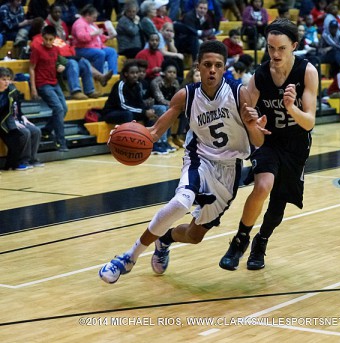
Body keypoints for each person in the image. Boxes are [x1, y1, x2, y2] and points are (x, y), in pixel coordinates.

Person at [99, 40, 268, 283]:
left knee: (195, 235)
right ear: (197, 66)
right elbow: (155, 133)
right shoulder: (186, 95)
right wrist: (122, 133)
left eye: (217, 65)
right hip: (200, 159)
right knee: (180, 203)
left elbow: (259, 141)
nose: (212, 70)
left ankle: (164, 240)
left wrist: (252, 124)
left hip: (230, 170)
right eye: (207, 64)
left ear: (224, 68)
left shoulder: (238, 93)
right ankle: (128, 257)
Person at [219, 18, 319, 271]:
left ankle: (261, 242)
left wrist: (291, 108)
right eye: (270, 48)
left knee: (278, 204)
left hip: (297, 143)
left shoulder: (307, 72)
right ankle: (240, 240)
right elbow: (246, 112)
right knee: (263, 185)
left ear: (294, 46)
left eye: (281, 48)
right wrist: (250, 120)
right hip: (269, 139)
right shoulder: (260, 76)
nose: (275, 54)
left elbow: (308, 122)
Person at [29, 25, 69, 152]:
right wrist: (33, 88)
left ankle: (46, 130)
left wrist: (61, 66)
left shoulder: (56, 49)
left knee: (64, 109)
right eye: (45, 39)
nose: (47, 42)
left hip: (54, 83)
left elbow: (59, 62)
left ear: (54, 39)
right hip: (43, 84)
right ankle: (60, 142)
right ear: (42, 37)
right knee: (58, 108)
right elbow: (31, 68)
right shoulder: (36, 49)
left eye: (50, 39)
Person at [102, 60, 157, 124]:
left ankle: (150, 134)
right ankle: (127, 134)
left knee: (150, 115)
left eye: (137, 73)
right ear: (126, 74)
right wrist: (144, 112)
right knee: (128, 114)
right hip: (112, 113)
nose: (135, 75)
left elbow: (140, 103)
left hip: (128, 111)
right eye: (132, 73)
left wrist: (148, 110)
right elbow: (123, 105)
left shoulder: (137, 85)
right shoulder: (120, 85)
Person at [71, 4, 118, 75]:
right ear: (87, 15)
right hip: (81, 48)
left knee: (112, 52)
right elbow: (81, 37)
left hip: (95, 47)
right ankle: (100, 75)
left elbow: (98, 37)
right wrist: (93, 34)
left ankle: (113, 74)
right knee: (100, 54)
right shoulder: (79, 23)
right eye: (94, 17)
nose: (95, 19)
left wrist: (108, 37)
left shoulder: (92, 24)